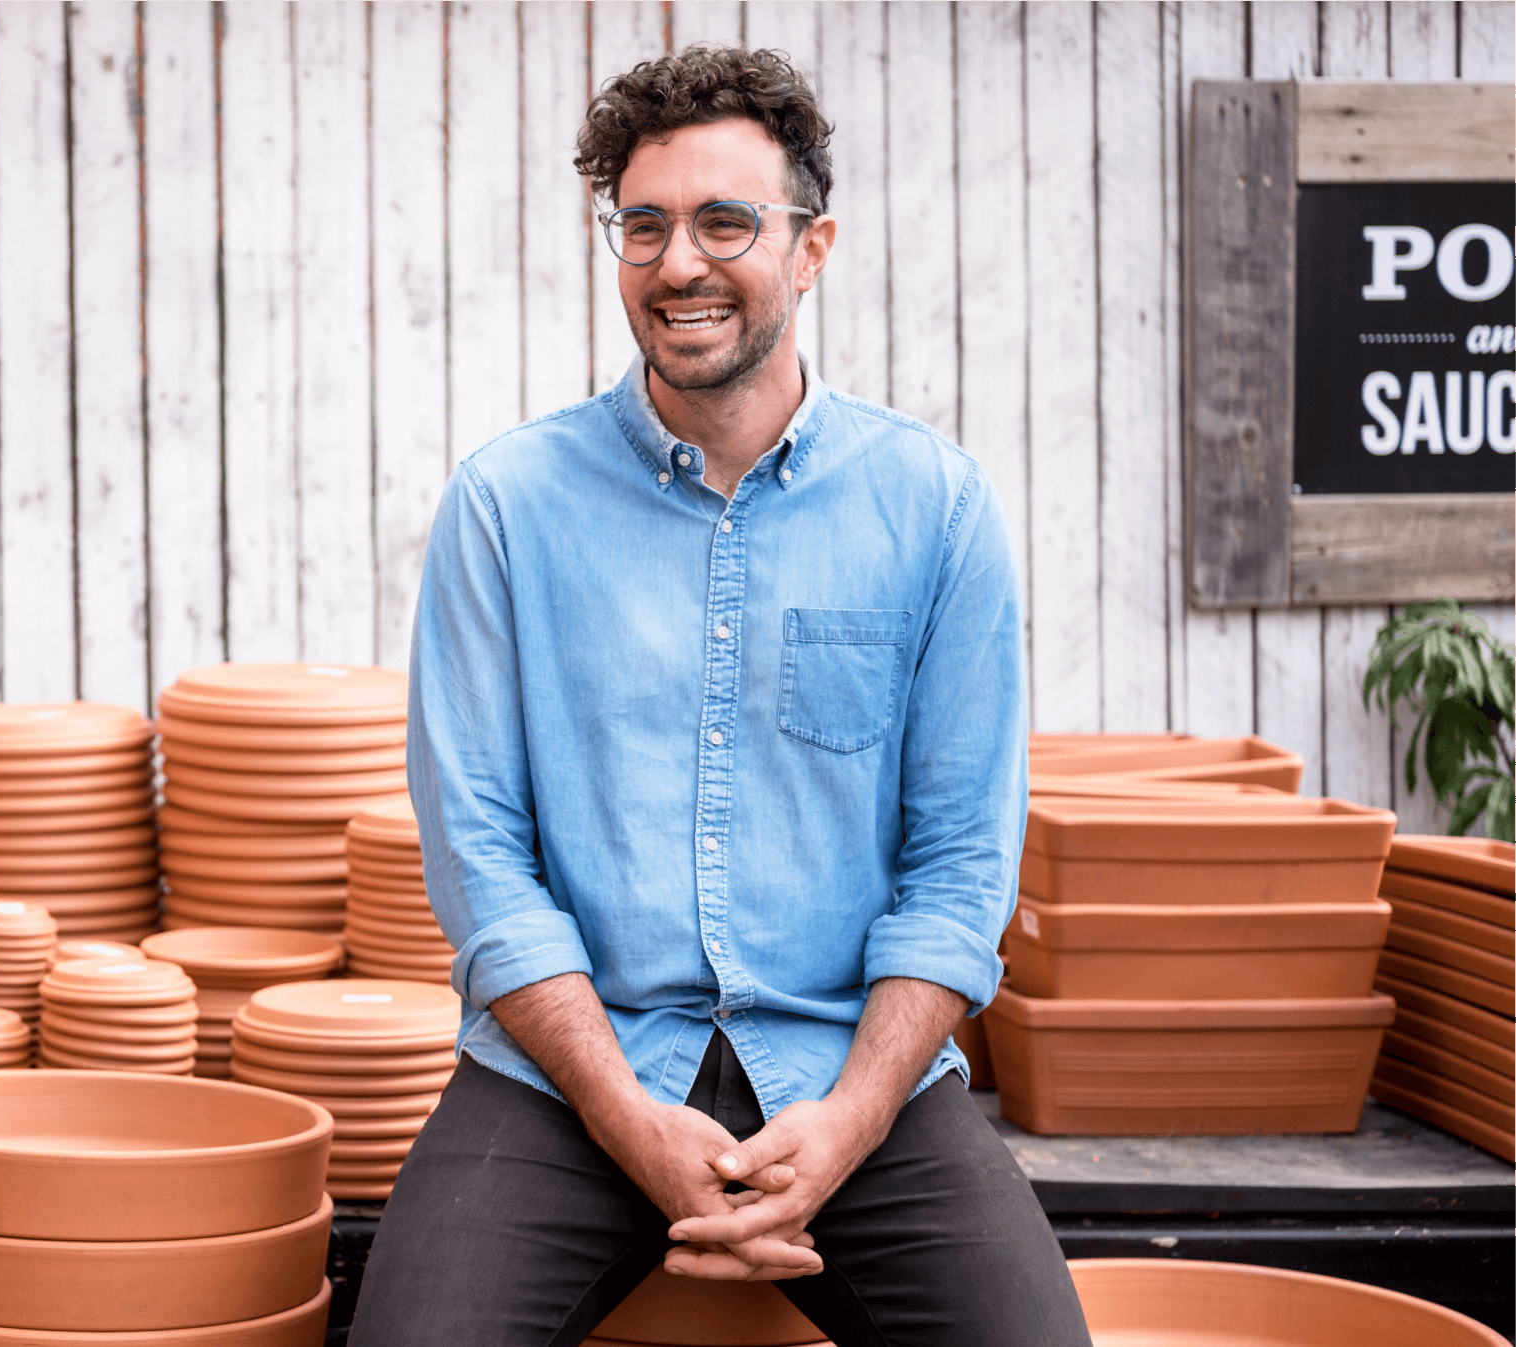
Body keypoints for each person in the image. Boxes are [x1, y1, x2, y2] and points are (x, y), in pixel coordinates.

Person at [348, 46, 1090, 1347]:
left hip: (855, 1075)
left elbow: (963, 865)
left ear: (810, 249)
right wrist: (629, 1120)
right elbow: (480, 857)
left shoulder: (935, 509)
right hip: (567, 1076)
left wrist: (851, 1120)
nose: (679, 262)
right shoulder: (506, 509)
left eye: (724, 221)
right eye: (644, 225)